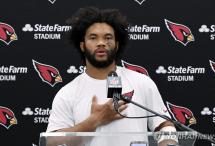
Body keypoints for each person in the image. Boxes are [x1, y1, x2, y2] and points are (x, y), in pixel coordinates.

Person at [46, 7, 178, 146]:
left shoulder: (142, 82)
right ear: (82, 45)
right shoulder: (68, 93)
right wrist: (95, 120)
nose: (101, 42)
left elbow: (163, 124)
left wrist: (169, 142)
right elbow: (53, 142)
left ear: (116, 45)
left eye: (108, 37)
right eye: (93, 37)